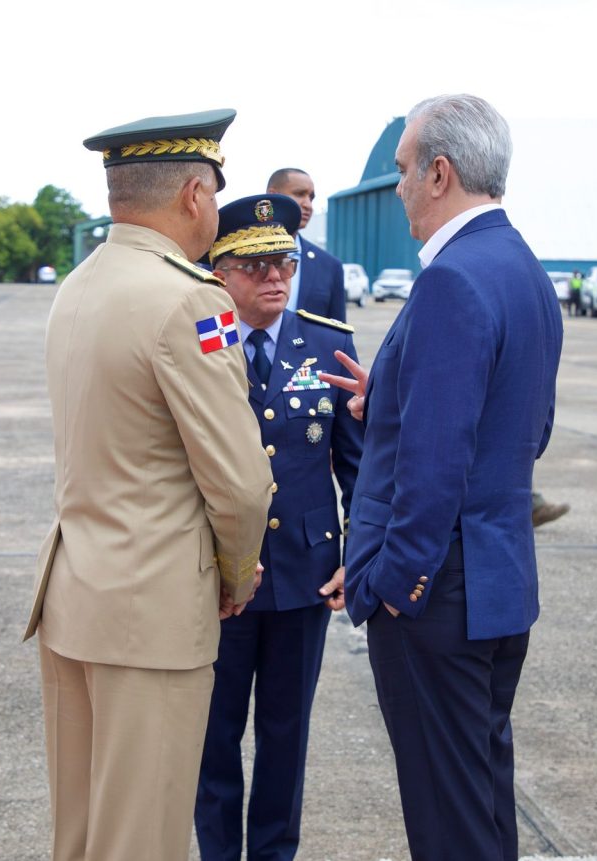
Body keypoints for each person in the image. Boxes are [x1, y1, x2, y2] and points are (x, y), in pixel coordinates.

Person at [21, 110, 274, 861]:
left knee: (81, 834)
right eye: (214, 195)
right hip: (151, 612)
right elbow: (241, 482)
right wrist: (237, 574)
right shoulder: (192, 299)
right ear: (195, 195)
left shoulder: (78, 285)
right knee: (141, 839)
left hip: (75, 596)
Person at [320, 94, 563, 860]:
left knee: (447, 824)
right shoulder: (524, 269)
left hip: (438, 596)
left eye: (403, 170)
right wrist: (391, 395)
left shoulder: (452, 279)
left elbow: (435, 468)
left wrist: (397, 581)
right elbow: (526, 429)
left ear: (440, 173)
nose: (397, 187)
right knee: (480, 806)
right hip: (498, 581)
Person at [193, 194, 363, 861]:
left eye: (284, 263)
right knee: (214, 736)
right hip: (221, 578)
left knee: (286, 736)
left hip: (303, 573)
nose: (274, 277)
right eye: (255, 265)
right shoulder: (200, 342)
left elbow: (358, 463)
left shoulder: (327, 342)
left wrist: (358, 549)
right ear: (220, 273)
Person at [266, 168, 347, 322]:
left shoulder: (330, 266)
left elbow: (338, 332)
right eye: (299, 194)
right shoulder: (236, 260)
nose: (308, 205)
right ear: (273, 196)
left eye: (311, 198)